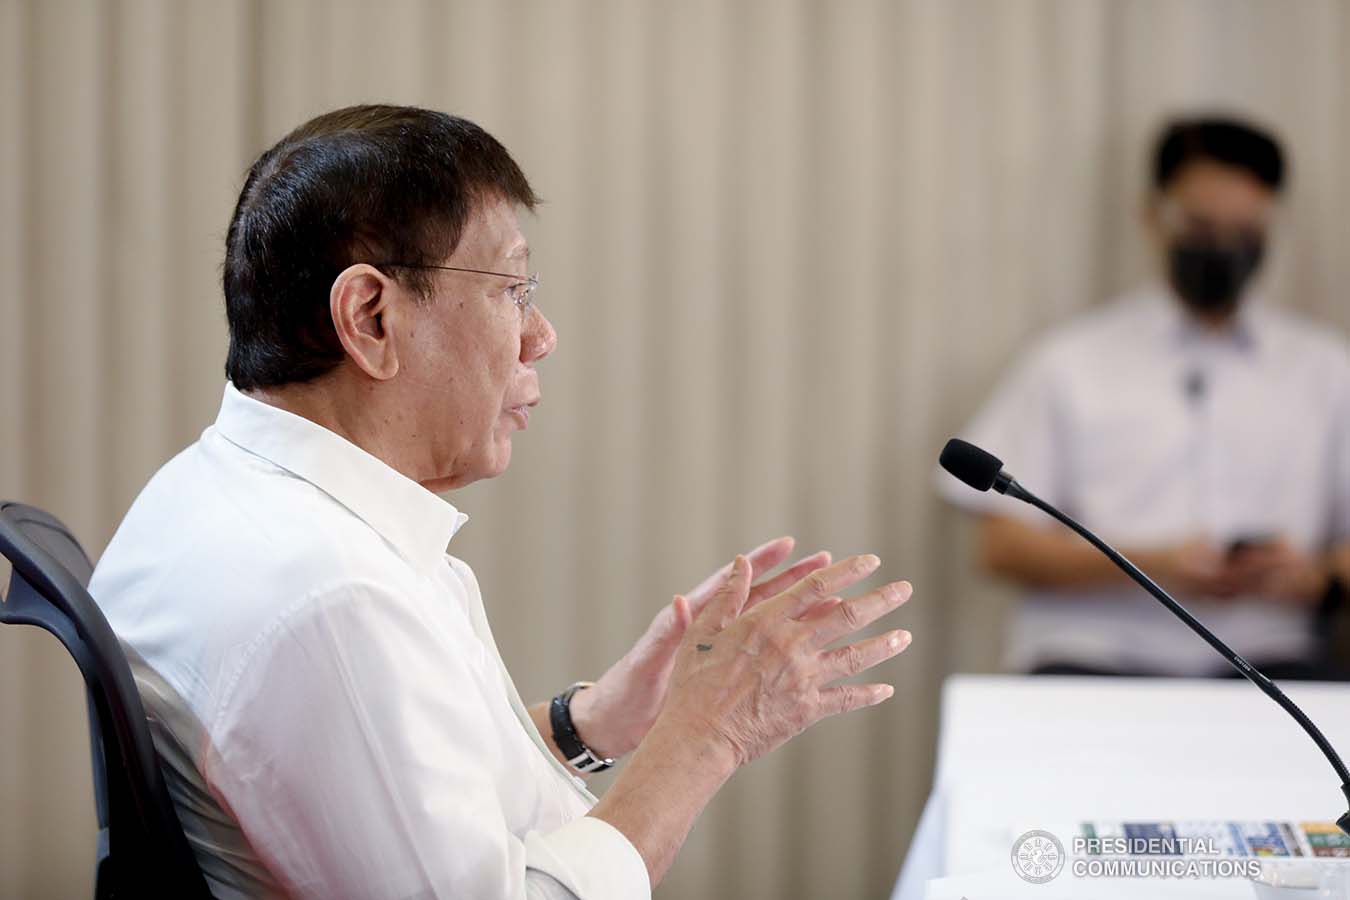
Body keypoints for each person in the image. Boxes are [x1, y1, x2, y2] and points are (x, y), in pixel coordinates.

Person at [88, 105, 914, 899]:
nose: (540, 334)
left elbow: (383, 791)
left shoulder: (216, 490)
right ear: (370, 317)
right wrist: (709, 735)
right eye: (511, 289)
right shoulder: (333, 600)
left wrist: (586, 724)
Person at [940, 115, 1350, 679]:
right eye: (1203, 228)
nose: (1223, 249)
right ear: (1154, 215)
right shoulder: (1068, 361)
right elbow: (1001, 547)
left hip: (1274, 670)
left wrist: (1312, 578)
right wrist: (1152, 567)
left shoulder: (1327, 369)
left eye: (1244, 232)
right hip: (1091, 661)